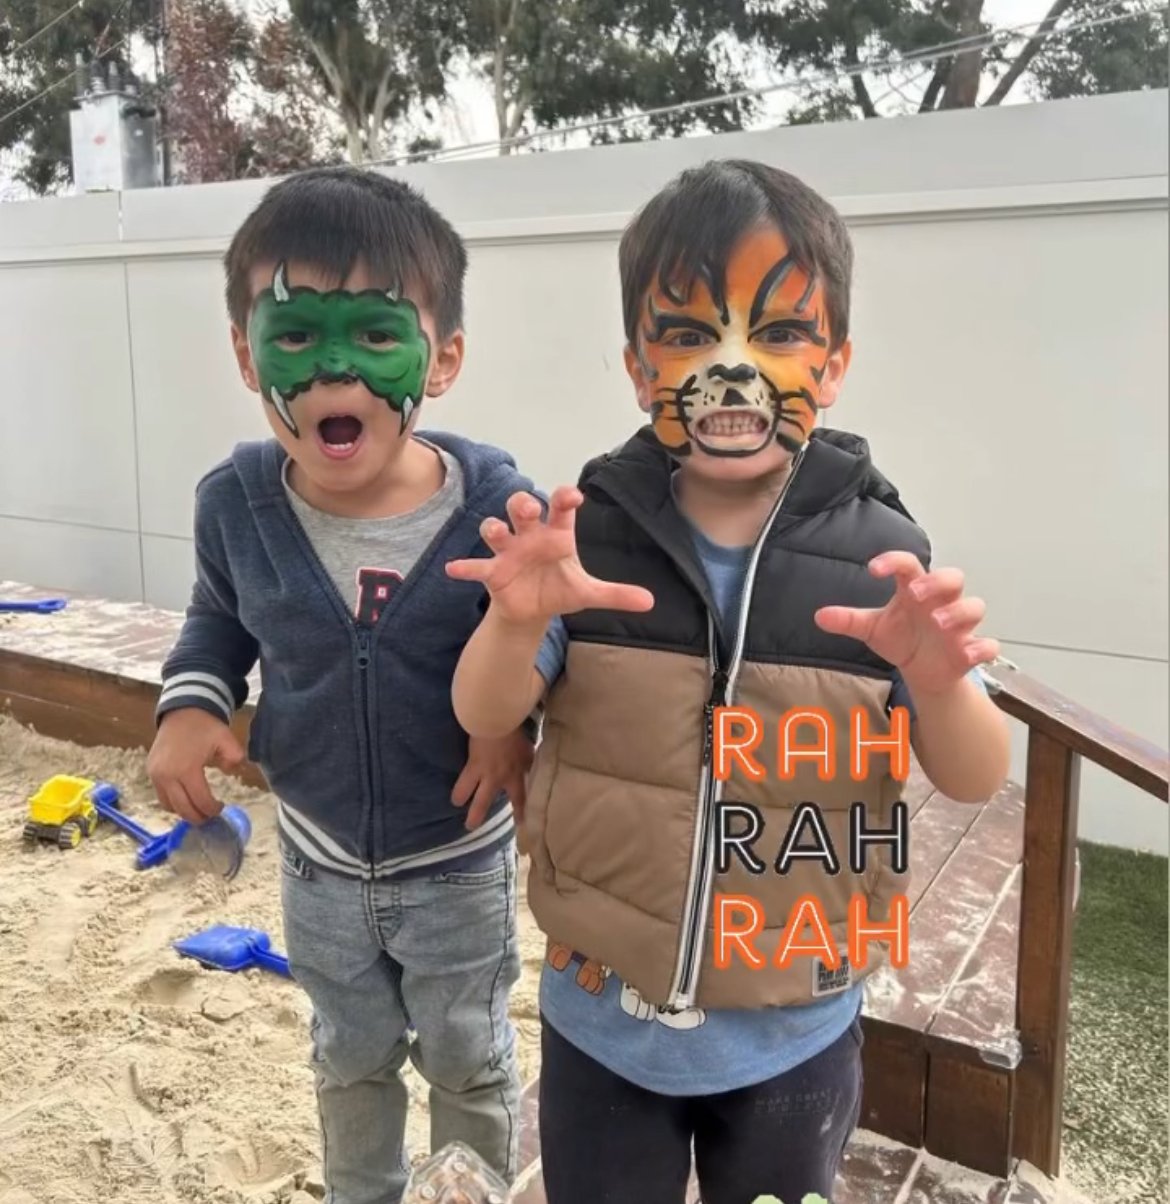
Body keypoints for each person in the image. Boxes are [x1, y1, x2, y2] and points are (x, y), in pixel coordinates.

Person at [446, 159, 1012, 1204]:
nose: (733, 369)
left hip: (799, 1021)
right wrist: (515, 620)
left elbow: (974, 776)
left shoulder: (882, 549)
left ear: (835, 363)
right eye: (690, 334)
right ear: (635, 364)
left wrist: (938, 685)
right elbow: (487, 710)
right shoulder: (595, 535)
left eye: (781, 334)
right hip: (602, 1017)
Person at [146, 165, 537, 1204]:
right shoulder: (235, 503)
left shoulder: (496, 506)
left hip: (457, 857)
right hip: (316, 860)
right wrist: (191, 701)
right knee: (348, 1053)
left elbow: (545, 641)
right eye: (294, 339)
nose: (333, 375)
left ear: (441, 357)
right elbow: (218, 620)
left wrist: (515, 726)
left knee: (467, 1055)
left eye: (374, 336)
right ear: (245, 353)